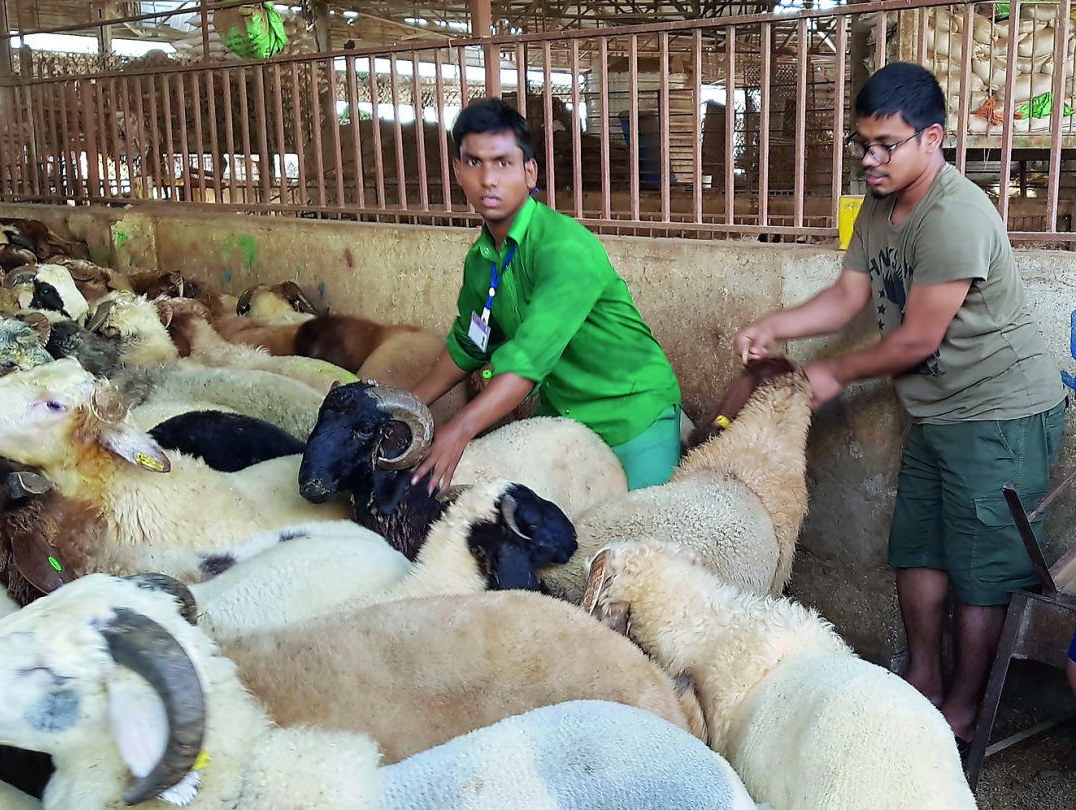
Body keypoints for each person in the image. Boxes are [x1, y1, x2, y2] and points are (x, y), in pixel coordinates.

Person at [735, 62, 1067, 743]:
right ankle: (924, 681)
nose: (870, 158)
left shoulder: (957, 215)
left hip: (1000, 411)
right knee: (916, 549)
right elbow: (849, 296)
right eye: (863, 143)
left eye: (886, 144)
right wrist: (779, 324)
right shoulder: (883, 210)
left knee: (983, 570)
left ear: (932, 138)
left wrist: (832, 372)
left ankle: (966, 708)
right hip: (939, 411)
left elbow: (916, 339)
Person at [409, 97, 683, 493]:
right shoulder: (481, 259)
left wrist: (457, 432)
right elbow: (471, 341)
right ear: (457, 170)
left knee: (637, 537)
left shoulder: (564, 248)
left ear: (529, 171)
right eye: (474, 162)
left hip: (630, 410)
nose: (488, 179)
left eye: (503, 163)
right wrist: (409, 406)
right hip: (564, 416)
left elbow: (526, 363)